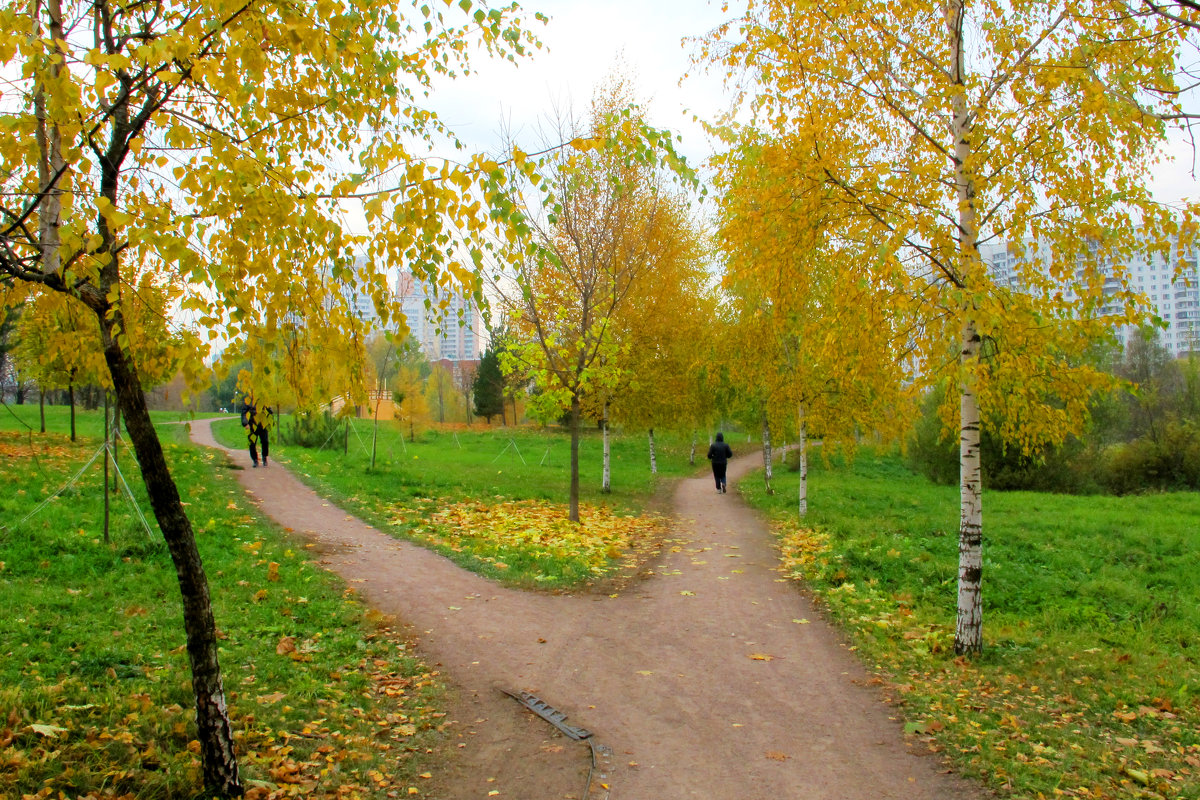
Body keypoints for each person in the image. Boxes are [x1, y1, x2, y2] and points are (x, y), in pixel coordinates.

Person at [239, 397, 271, 468]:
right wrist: (245, 423)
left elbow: (269, 411)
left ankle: (264, 457)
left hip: (262, 425)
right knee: (252, 443)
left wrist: (269, 421)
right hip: (252, 425)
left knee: (265, 441)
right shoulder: (248, 401)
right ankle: (255, 460)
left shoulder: (264, 399)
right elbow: (243, 413)